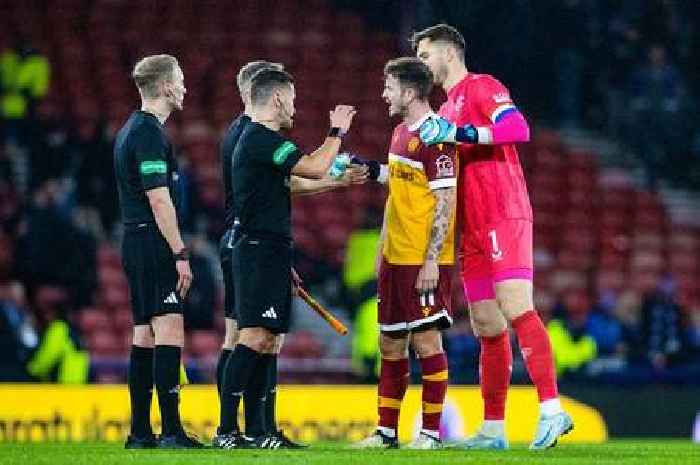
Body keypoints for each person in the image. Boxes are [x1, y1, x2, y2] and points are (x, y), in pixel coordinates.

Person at [412, 24, 573, 450]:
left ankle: (553, 410)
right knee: (486, 324)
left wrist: (462, 134)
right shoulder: (443, 110)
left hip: (504, 213)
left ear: (449, 51)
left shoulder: (482, 87)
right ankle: (493, 429)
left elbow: (517, 128)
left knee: (517, 307)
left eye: (426, 54)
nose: (423, 63)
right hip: (472, 227)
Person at [216, 60, 367, 448]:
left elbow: (290, 185)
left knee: (265, 340)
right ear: (279, 98)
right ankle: (227, 431)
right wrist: (337, 131)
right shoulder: (259, 137)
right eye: (293, 100)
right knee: (250, 337)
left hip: (268, 248)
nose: (296, 109)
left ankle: (261, 431)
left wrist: (336, 180)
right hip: (255, 247)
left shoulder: (254, 139)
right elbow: (313, 168)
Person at [353, 57, 457, 450]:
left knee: (426, 343)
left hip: (423, 259)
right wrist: (371, 171)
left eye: (389, 88)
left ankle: (430, 433)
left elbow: (445, 201)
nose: (384, 94)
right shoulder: (399, 132)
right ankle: (387, 432)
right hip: (395, 257)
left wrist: (432, 259)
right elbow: (399, 186)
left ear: (410, 92)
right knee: (390, 344)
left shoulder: (438, 138)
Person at [114, 54, 202, 449]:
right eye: (180, 80)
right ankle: (171, 431)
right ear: (166, 86)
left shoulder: (129, 129)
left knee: (143, 333)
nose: (184, 87)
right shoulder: (149, 133)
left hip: (134, 239)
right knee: (169, 327)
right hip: (152, 239)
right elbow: (159, 200)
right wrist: (180, 253)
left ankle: (139, 432)